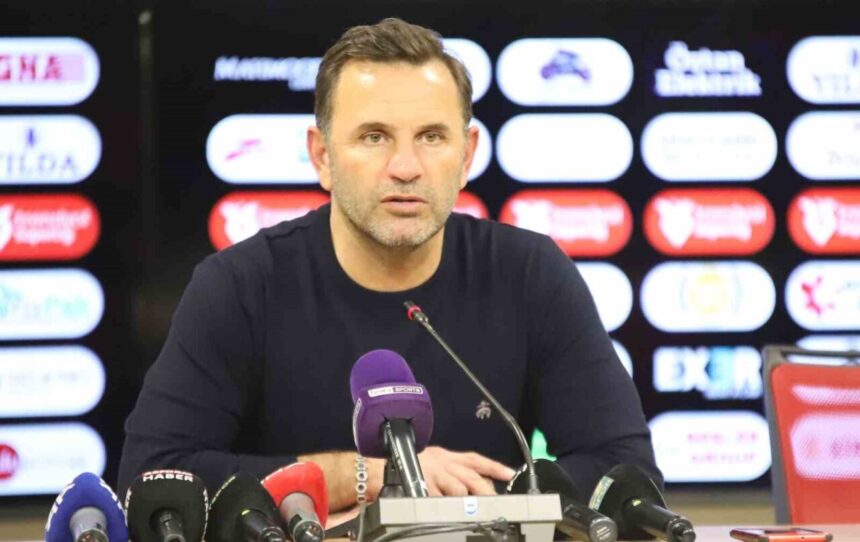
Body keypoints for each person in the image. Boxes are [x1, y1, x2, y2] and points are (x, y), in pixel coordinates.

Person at [118, 17, 661, 512]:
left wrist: (480, 503)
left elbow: (626, 471)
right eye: (374, 137)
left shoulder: (529, 274)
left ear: (467, 156)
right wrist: (365, 476)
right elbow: (151, 478)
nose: (405, 167)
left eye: (432, 137)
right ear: (322, 155)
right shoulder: (241, 285)